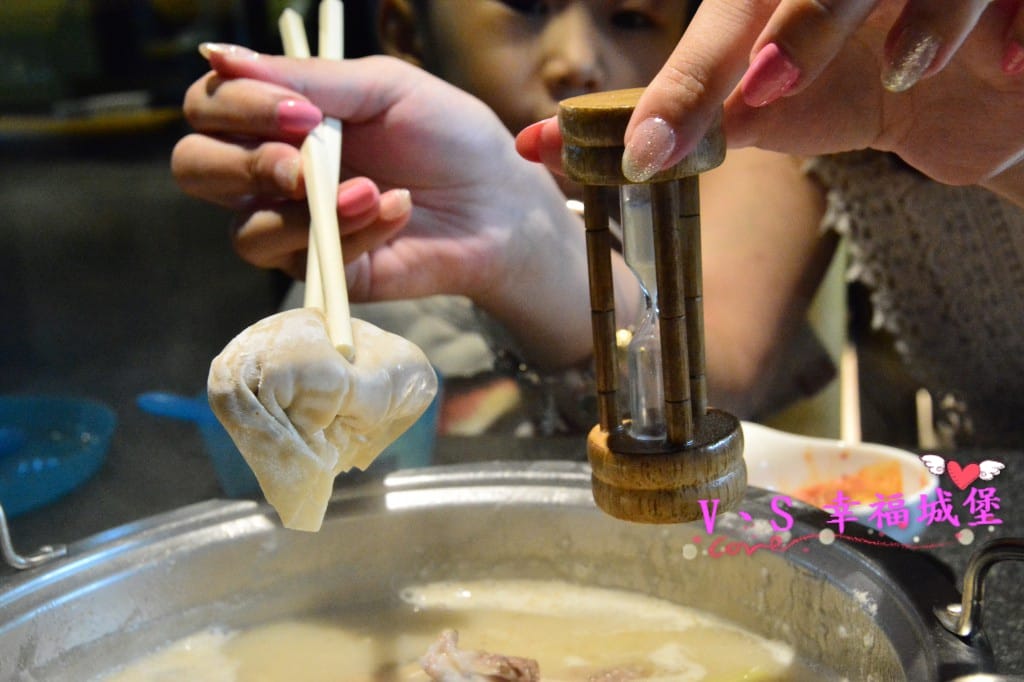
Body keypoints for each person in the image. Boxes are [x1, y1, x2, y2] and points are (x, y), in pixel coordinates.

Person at [173, 0, 835, 436]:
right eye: (526, 5)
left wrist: (527, 247)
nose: (578, 57)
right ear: (405, 31)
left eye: (631, 16)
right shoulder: (360, 235)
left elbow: (722, 379)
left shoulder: (741, 152)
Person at [515, 0, 1024, 446]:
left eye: (631, 15)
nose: (579, 58)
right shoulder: (819, 69)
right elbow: (721, 358)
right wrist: (510, 242)